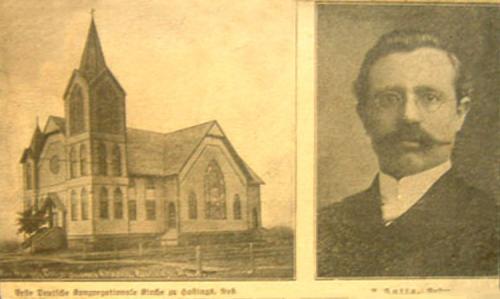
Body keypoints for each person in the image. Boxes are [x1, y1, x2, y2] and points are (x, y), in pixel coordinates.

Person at [317, 30, 498, 277]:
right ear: (364, 115)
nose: (409, 116)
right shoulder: (324, 225)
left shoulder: (490, 221)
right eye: (389, 98)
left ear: (460, 113)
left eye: (430, 97)